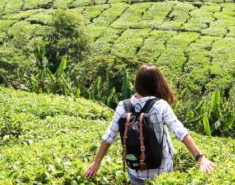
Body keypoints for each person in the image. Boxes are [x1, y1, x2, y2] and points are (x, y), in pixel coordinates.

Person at [84, 64, 216, 184]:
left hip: (135, 169)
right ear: (156, 83)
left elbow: (108, 137)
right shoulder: (160, 105)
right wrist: (200, 157)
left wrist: (97, 162)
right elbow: (180, 132)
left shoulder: (122, 106)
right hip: (161, 171)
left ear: (137, 84)